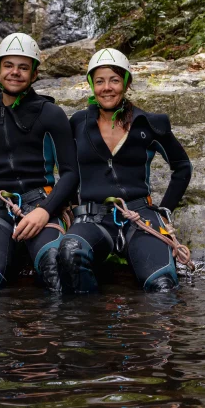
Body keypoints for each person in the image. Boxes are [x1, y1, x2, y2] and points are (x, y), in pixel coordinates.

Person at [58, 48, 193, 293]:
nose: (106, 87)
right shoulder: (77, 123)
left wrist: (164, 210)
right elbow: (67, 171)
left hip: (140, 217)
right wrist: (67, 206)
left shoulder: (148, 123)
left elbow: (182, 167)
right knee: (69, 254)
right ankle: (87, 327)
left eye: (114, 80)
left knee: (162, 286)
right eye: (99, 81)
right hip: (92, 218)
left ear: (127, 83)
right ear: (91, 85)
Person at [0, 33, 79, 292]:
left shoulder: (52, 115)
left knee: (54, 270)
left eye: (23, 67)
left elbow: (70, 173)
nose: (15, 72)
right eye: (9, 66)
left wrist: (45, 210)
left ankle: (58, 333)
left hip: (41, 205)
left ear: (34, 74)